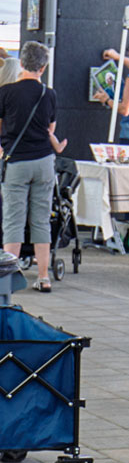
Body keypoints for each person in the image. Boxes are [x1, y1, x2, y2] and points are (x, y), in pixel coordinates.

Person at [0, 42, 64, 292]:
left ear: (21, 64)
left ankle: (8, 279)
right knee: (41, 220)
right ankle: (44, 277)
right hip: (44, 162)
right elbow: (50, 129)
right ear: (43, 67)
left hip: (16, 162)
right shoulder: (49, 94)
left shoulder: (6, 92)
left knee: (13, 220)